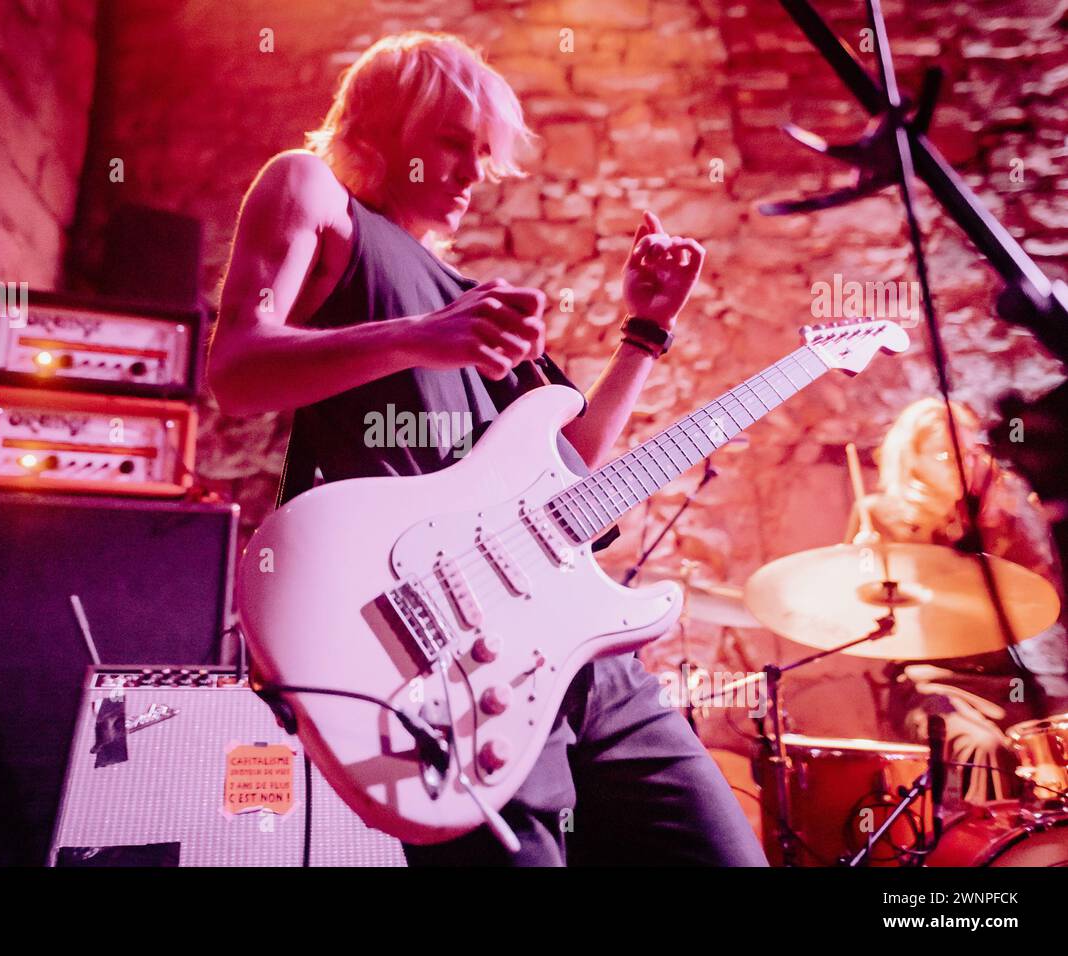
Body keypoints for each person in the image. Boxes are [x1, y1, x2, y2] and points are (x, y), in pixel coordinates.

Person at [207, 31, 766, 865]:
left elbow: (569, 468)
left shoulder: (473, 300)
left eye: (484, 153)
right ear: (381, 126)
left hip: (579, 649)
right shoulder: (313, 191)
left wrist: (645, 333)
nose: (475, 172)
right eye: (452, 143)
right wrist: (420, 338)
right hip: (449, 663)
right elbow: (239, 367)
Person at [847, 398, 1068, 802]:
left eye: (971, 453)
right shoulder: (881, 514)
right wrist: (865, 562)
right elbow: (856, 607)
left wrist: (1011, 524)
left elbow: (1041, 597)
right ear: (912, 459)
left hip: (1010, 678)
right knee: (983, 748)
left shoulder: (999, 513)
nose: (963, 465)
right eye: (946, 455)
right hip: (931, 679)